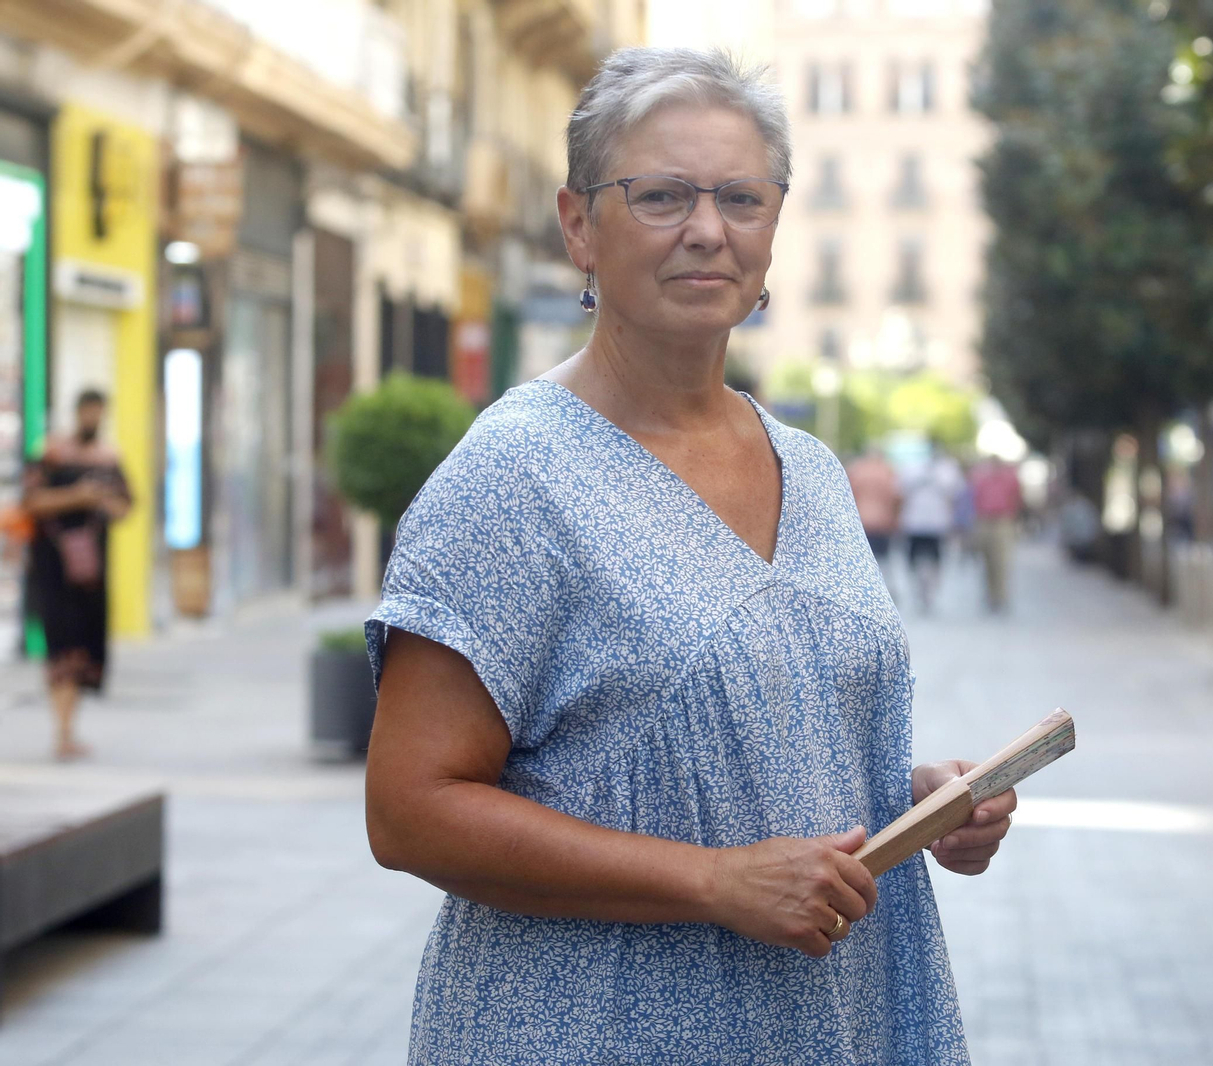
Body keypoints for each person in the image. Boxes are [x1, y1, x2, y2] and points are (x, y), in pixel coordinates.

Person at [362, 49, 1013, 1065]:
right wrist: (713, 880)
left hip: (819, 1022)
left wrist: (915, 803)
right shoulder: (512, 475)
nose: (707, 230)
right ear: (578, 224)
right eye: (661, 195)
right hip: (587, 1030)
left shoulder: (809, 466)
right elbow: (409, 812)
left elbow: (781, 737)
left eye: (741, 198)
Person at [21, 389, 132, 760]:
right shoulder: (52, 454)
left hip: (91, 573)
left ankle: (68, 729)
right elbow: (31, 501)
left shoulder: (108, 458)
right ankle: (62, 730)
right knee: (61, 650)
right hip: (55, 570)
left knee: (84, 652)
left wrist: (105, 504)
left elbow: (127, 504)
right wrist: (79, 497)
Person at [898, 444, 964, 615]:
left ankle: (930, 592)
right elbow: (900, 490)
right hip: (915, 523)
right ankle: (918, 591)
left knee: (936, 560)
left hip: (937, 524)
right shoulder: (912, 468)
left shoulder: (948, 468)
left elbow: (955, 492)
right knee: (913, 560)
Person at [968, 456, 1023, 612]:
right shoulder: (981, 478)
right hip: (984, 520)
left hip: (1003, 521)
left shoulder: (1010, 478)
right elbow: (975, 498)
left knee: (1001, 561)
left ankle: (1000, 596)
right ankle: (990, 594)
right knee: (986, 561)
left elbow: (1017, 499)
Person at [846, 445, 901, 592]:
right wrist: (895, 518)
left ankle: (863, 588)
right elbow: (896, 497)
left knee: (862, 558)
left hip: (860, 520)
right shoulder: (887, 471)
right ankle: (883, 589)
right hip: (883, 521)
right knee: (883, 558)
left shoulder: (857, 470)